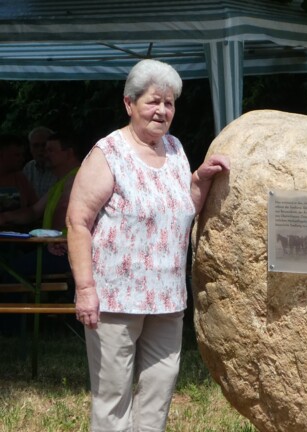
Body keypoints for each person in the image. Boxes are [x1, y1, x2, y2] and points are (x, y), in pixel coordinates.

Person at [66, 59, 230, 431]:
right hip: (115, 297)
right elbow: (77, 222)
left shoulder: (173, 149)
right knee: (113, 395)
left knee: (159, 389)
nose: (162, 111)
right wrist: (86, 290)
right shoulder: (108, 153)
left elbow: (182, 207)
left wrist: (200, 180)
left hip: (167, 298)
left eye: (169, 103)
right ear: (129, 104)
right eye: (153, 101)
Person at [0, 132, 82, 277]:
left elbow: (64, 209)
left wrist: (53, 239)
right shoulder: (62, 181)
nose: (45, 154)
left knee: (9, 271)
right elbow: (33, 211)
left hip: (65, 251)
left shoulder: (77, 177)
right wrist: (6, 217)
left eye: (51, 150)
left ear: (68, 153)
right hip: (56, 247)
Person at [0, 134, 37, 214]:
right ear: (1, 155)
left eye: (22, 155)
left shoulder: (21, 179)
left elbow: (35, 208)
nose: (22, 159)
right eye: (17, 155)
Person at [24, 126, 58, 198]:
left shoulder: (61, 167)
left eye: (44, 145)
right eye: (36, 146)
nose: (40, 149)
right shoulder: (29, 168)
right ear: (30, 148)